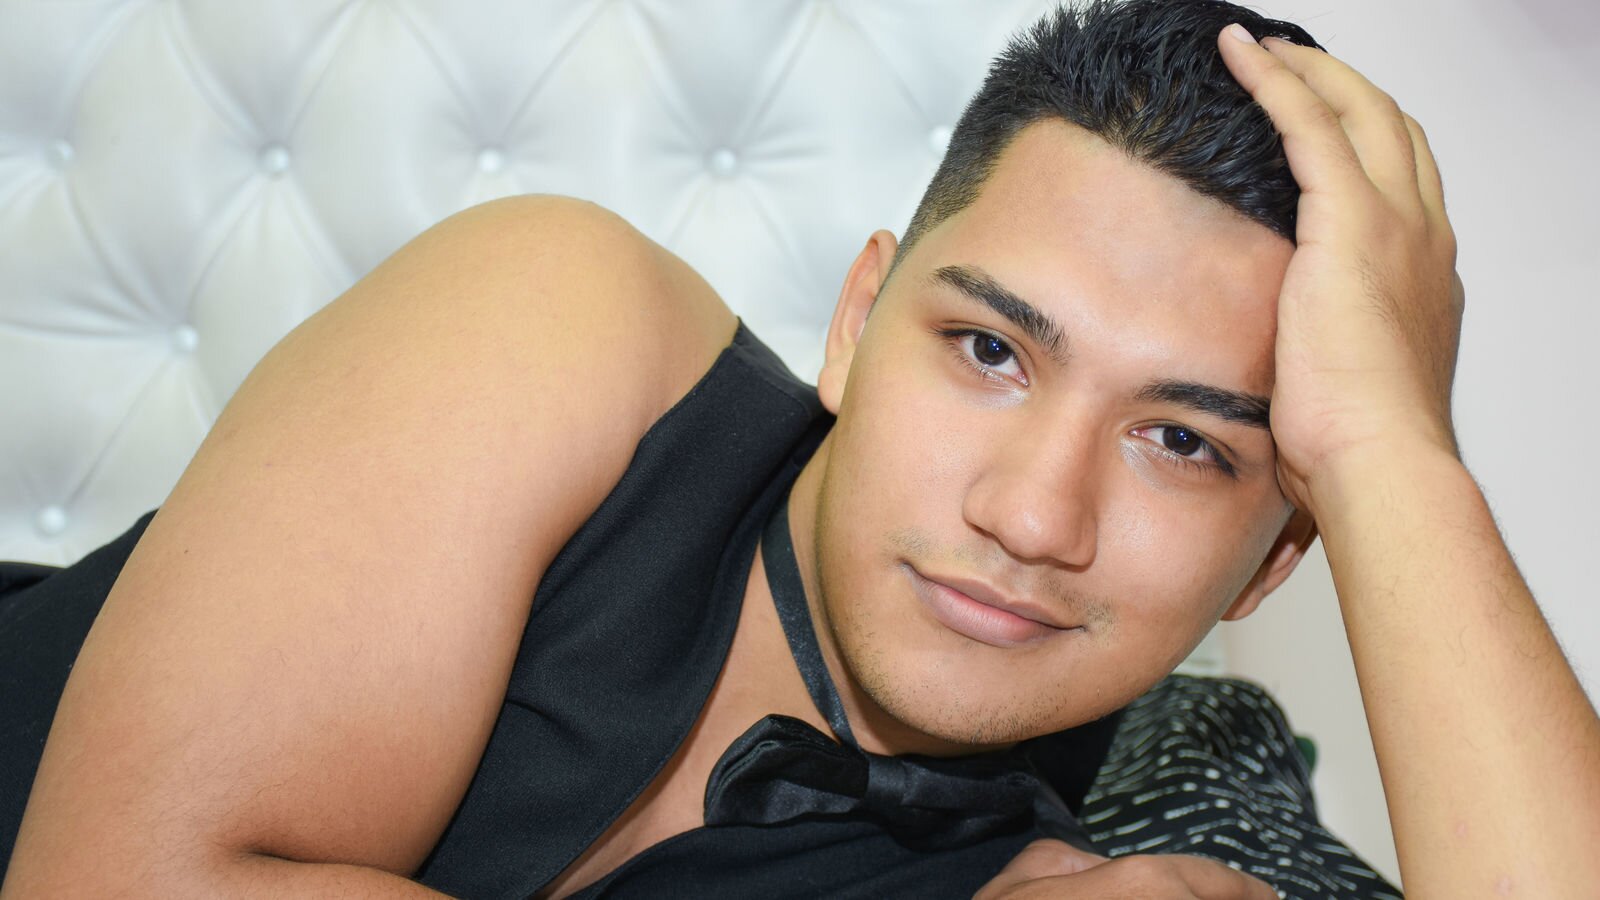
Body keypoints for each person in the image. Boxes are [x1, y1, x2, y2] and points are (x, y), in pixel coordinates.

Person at [3, 1, 1598, 897]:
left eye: (1180, 441)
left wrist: (1393, 457)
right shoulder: (569, 317)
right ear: (854, 322)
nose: (1034, 513)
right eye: (989, 351)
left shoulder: (1129, 849)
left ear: (1281, 558)